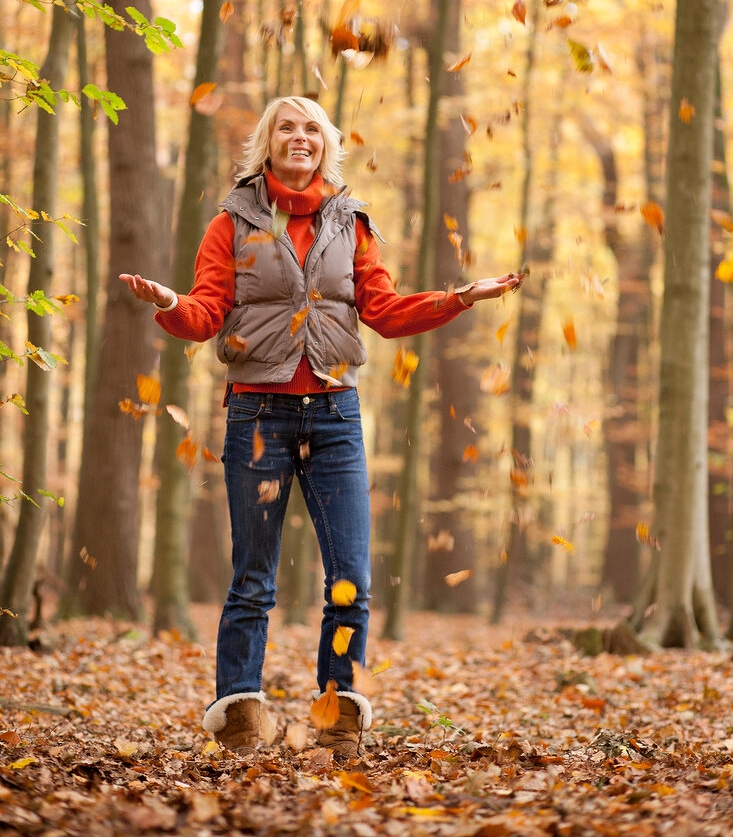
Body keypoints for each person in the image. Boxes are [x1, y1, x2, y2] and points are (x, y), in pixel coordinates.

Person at [121, 95, 524, 758]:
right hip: (258, 413)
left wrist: (458, 297)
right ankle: (241, 715)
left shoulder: (350, 224)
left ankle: (337, 716)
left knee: (350, 579)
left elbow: (386, 310)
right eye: (286, 126)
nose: (298, 136)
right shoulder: (230, 223)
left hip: (335, 414)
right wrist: (168, 304)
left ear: (325, 144)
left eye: (311, 127)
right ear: (267, 141)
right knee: (253, 577)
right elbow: (203, 311)